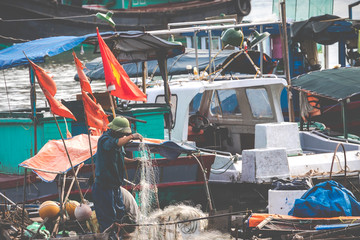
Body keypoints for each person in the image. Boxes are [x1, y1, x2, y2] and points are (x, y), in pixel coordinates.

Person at [92, 116, 143, 234]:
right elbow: (113, 144)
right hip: (104, 187)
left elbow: (120, 158)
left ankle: (120, 235)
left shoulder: (118, 142)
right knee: (108, 218)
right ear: (116, 131)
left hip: (115, 186)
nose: (123, 136)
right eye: (123, 134)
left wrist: (134, 161)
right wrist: (131, 136)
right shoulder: (105, 140)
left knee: (120, 214)